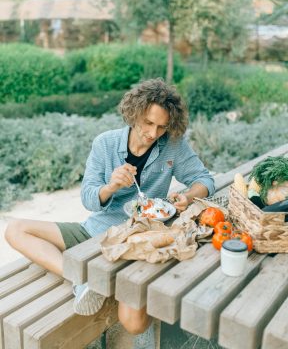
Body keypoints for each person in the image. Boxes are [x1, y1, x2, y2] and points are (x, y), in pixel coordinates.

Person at [5, 78, 215, 346]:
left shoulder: (173, 144)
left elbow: (204, 180)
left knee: (134, 323)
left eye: (161, 127)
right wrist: (111, 186)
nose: (153, 133)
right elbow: (89, 199)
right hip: (96, 233)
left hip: (143, 239)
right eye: (148, 123)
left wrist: (187, 196)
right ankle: (80, 279)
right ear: (134, 113)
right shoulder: (105, 144)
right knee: (16, 229)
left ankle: (112, 280)